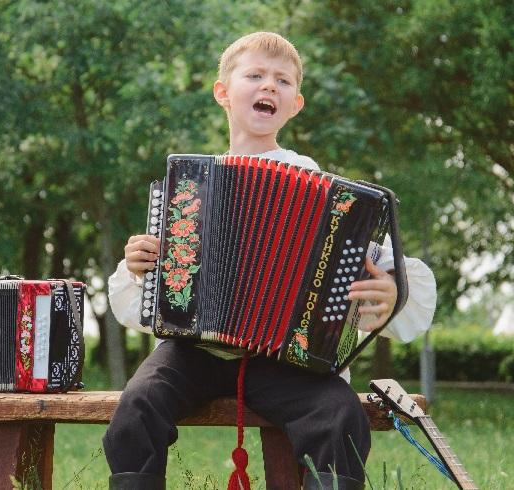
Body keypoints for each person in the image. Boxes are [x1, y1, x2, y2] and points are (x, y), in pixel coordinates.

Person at [103, 32, 437, 490]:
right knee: (138, 406)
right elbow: (156, 288)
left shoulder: (317, 186)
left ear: (295, 103)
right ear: (223, 92)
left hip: (287, 358)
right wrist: (140, 267)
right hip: (194, 348)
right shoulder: (192, 187)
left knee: (339, 417)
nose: (269, 86)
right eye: (255, 75)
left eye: (282, 81)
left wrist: (395, 289)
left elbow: (378, 260)